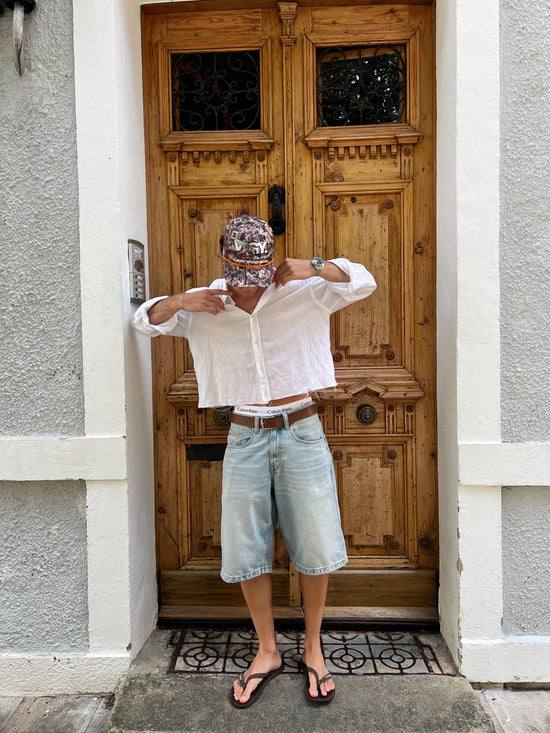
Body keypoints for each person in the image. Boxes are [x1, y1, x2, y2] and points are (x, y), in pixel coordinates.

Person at [133, 214, 376, 708]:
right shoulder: (205, 301)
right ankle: (267, 651)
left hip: (302, 428)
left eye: (258, 275)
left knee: (315, 541)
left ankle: (313, 647)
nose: (249, 286)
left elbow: (363, 280)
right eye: (241, 275)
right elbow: (143, 321)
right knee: (246, 549)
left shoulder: (303, 288)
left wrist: (316, 266)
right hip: (245, 435)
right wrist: (179, 301)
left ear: (270, 264)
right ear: (225, 261)